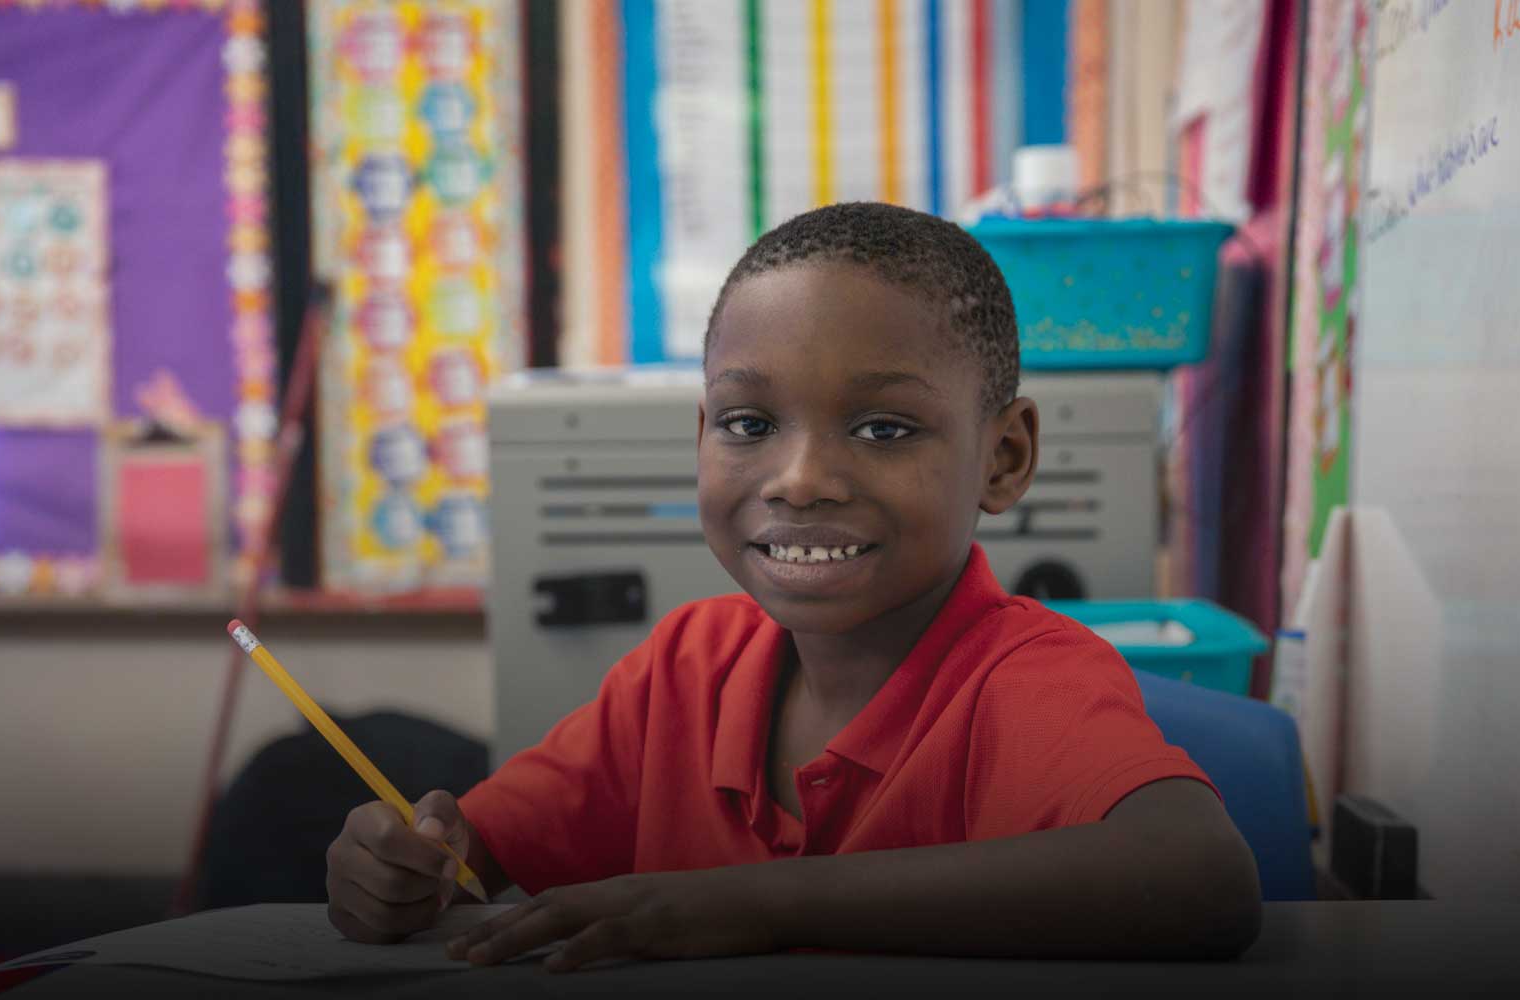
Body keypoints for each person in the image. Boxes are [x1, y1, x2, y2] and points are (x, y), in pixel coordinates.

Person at [326, 202, 1262, 971]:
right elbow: (478, 853)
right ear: (703, 436)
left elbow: (1201, 879)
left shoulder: (1022, 679)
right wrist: (406, 869)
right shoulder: (685, 669)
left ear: (1005, 458)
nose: (801, 480)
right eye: (749, 423)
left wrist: (756, 905)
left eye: (885, 429)